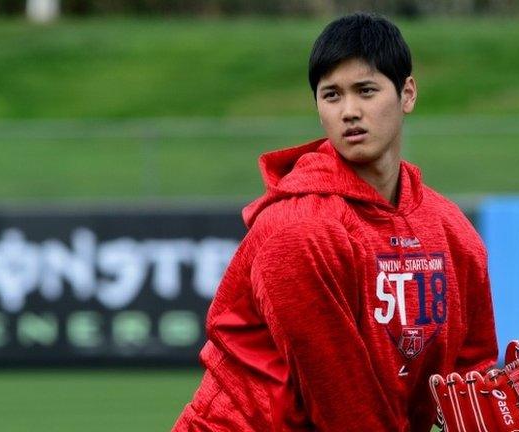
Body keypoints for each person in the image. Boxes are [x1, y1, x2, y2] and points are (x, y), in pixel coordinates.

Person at [173, 12, 498, 432]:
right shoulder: (297, 228)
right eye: (332, 95)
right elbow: (344, 405)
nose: (349, 111)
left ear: (407, 93)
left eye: (366, 91)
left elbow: (474, 367)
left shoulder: (451, 230)